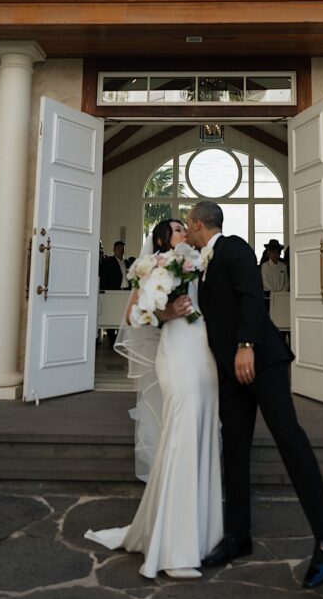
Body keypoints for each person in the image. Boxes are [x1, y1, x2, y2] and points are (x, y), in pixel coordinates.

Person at [186, 200, 323, 589]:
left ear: (196, 224)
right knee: (234, 448)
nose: (186, 232)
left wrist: (245, 344)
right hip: (232, 372)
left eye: (188, 226)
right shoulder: (203, 264)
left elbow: (252, 298)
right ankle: (238, 536)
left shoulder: (234, 247)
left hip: (261, 362)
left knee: (290, 440)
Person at [85, 220, 222, 580]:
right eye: (176, 229)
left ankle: (203, 536)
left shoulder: (198, 262)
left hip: (202, 352)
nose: (183, 231)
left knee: (200, 433)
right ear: (161, 240)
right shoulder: (153, 266)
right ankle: (174, 548)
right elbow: (135, 314)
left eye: (184, 227)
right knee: (179, 434)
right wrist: (166, 313)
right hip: (176, 355)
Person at [99, 240, 132, 347]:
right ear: (114, 250)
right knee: (112, 315)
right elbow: (104, 276)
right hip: (113, 292)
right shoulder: (108, 262)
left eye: (122, 249)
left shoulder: (127, 262)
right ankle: (112, 339)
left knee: (122, 315)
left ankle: (121, 338)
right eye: (119, 248)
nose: (121, 250)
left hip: (126, 292)